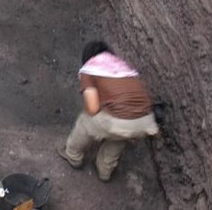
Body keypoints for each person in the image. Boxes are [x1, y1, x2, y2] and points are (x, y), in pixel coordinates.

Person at [57, 40, 159, 182]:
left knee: (86, 120)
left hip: (119, 122)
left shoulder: (90, 69)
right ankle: (105, 170)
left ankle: (73, 155)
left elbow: (92, 108)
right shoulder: (123, 68)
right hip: (144, 122)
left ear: (87, 57)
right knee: (120, 136)